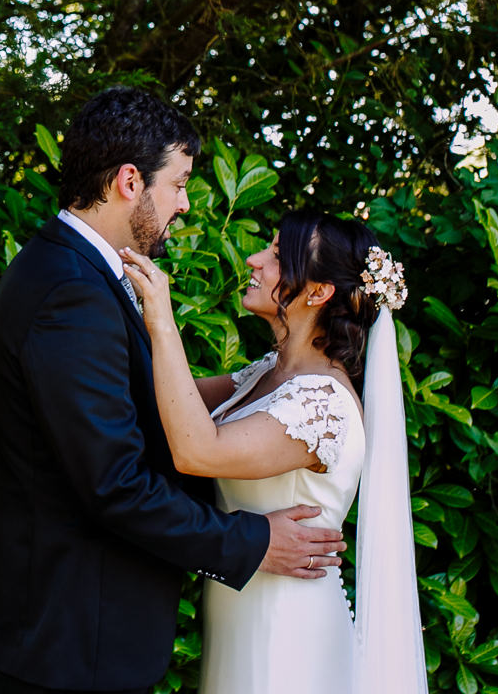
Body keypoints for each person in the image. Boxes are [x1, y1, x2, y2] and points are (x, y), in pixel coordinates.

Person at [0, 87, 347, 694]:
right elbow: (113, 484)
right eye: (178, 184)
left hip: (73, 628)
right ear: (127, 181)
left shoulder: (77, 270)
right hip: (73, 636)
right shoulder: (72, 293)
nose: (186, 205)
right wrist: (252, 540)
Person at [120, 210, 427, 694]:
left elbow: (196, 450)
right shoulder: (268, 375)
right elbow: (160, 401)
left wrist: (161, 316)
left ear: (318, 292)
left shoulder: (322, 404)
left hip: (286, 626)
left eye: (278, 256)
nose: (254, 259)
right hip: (241, 609)